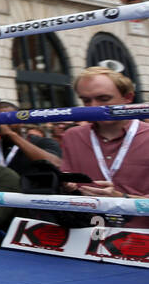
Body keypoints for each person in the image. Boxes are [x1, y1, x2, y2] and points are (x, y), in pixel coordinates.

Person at [60, 67, 149, 228]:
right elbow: (68, 189)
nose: (94, 107)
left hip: (142, 240)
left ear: (127, 98)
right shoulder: (72, 136)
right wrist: (66, 187)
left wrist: (121, 198)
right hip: (87, 238)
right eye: (86, 101)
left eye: (104, 98)